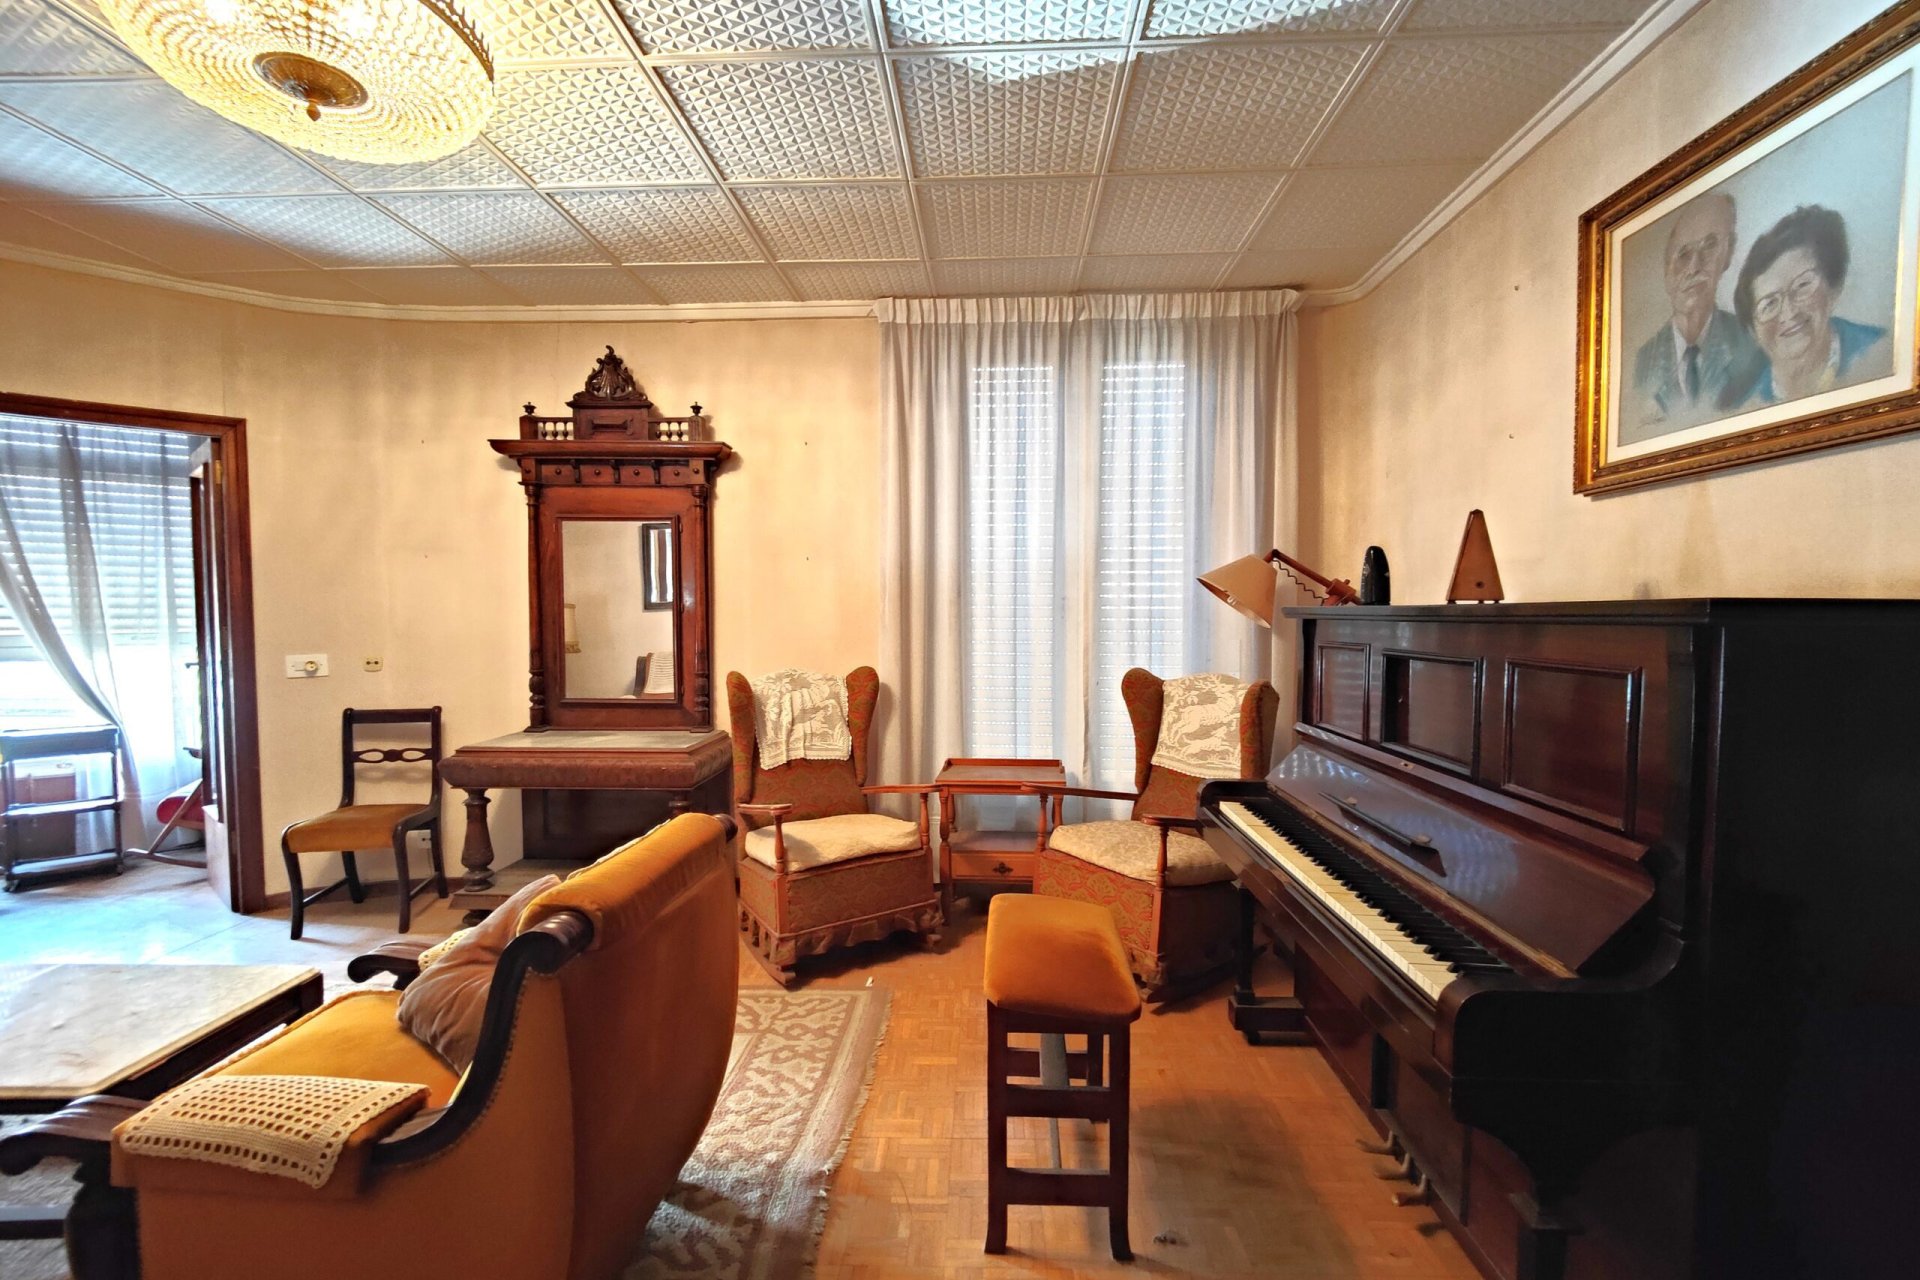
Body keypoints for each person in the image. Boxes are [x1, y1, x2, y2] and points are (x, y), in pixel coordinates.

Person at [1733, 204, 1891, 407]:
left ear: (1833, 287)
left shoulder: (1881, 350)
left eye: (1802, 286)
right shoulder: (1744, 404)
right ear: (1753, 330)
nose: (1789, 312)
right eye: (1769, 304)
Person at [1632, 192, 1766, 431]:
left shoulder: (1752, 345)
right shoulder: (1641, 362)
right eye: (1683, 254)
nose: (1694, 267)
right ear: (1666, 270)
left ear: (1728, 252)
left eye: (1709, 246)